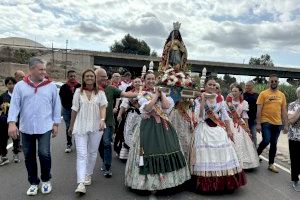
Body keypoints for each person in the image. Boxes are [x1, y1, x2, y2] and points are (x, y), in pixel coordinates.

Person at [125, 71, 190, 194]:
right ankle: (146, 183)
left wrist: (161, 94)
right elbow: (148, 108)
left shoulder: (163, 93)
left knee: (167, 148)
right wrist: (156, 95)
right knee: (149, 151)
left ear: (155, 80)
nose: (150, 81)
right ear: (144, 81)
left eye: (152, 79)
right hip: (148, 126)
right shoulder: (142, 94)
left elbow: (166, 106)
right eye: (148, 79)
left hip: (164, 126)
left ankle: (167, 182)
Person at [7, 57, 61, 196]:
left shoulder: (50, 86)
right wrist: (12, 123)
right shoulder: (20, 86)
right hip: (26, 128)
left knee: (44, 153)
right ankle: (33, 182)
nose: (44, 72)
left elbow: (56, 105)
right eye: (41, 69)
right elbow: (14, 106)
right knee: (29, 156)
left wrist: (56, 123)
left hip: (45, 127)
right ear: (31, 70)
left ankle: (45, 180)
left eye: (44, 69)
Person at [190, 78, 246, 192]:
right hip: (204, 128)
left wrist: (229, 130)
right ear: (205, 86)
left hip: (217, 129)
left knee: (224, 152)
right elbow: (199, 116)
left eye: (214, 85)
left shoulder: (220, 99)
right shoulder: (199, 98)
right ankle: (205, 182)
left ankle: (224, 181)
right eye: (209, 84)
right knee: (205, 154)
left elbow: (224, 116)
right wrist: (203, 100)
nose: (212, 86)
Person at [68, 69, 107, 194]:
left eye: (92, 76)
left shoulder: (100, 92)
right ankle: (80, 183)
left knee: (92, 152)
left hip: (96, 126)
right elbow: (74, 109)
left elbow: (103, 106)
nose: (89, 78)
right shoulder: (78, 92)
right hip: (80, 126)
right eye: (87, 76)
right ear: (83, 78)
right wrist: (71, 126)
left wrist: (102, 119)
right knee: (82, 154)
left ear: (94, 78)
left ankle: (88, 174)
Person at [95, 68, 138, 178]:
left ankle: (108, 167)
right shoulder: (91, 89)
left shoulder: (111, 89)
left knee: (106, 143)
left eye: (106, 77)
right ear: (96, 78)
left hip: (108, 122)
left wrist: (140, 93)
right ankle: (105, 161)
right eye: (102, 77)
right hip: (94, 123)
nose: (105, 79)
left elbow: (125, 94)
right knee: (99, 146)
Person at [256, 74, 288, 173]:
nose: (273, 82)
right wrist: (258, 123)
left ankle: (271, 164)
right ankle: (255, 156)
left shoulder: (281, 95)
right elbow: (259, 109)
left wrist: (286, 125)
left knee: (274, 143)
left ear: (278, 82)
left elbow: (283, 111)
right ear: (268, 82)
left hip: (278, 123)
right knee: (266, 140)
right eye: (272, 81)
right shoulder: (263, 94)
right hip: (266, 122)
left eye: (275, 81)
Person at [226, 84, 259, 169]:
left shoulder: (244, 103)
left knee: (242, 140)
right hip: (230, 123)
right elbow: (225, 115)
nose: (234, 93)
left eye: (236, 91)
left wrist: (247, 129)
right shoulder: (228, 102)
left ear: (240, 92)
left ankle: (243, 162)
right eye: (232, 91)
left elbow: (245, 116)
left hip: (240, 123)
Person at [116, 78, 142, 159]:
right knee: (128, 133)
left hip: (142, 116)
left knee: (139, 134)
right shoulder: (130, 93)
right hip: (132, 115)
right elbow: (124, 105)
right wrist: (119, 114)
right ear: (133, 84)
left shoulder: (145, 93)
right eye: (136, 82)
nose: (137, 83)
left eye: (139, 81)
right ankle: (127, 154)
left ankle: (138, 154)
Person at [59, 70, 81, 153]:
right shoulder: (64, 87)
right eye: (71, 76)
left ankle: (78, 143)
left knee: (77, 127)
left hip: (77, 110)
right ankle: (69, 144)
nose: (73, 78)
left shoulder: (79, 86)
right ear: (68, 77)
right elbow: (61, 98)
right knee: (69, 127)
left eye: (74, 76)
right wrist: (65, 107)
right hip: (67, 110)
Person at [0, 77, 19, 165]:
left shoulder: (19, 95)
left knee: (16, 138)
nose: (11, 86)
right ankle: (4, 156)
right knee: (3, 139)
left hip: (16, 121)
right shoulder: (3, 96)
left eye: (13, 83)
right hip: (4, 121)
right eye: (9, 84)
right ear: (6, 85)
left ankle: (16, 153)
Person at [287, 87, 300, 192]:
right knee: (295, 159)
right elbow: (291, 121)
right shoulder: (292, 105)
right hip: (295, 136)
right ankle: (295, 180)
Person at [244, 81, 259, 147]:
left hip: (253, 120)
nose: (247, 87)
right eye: (246, 85)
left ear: (252, 86)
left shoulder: (257, 95)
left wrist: (258, 119)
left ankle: (255, 152)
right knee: (244, 136)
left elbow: (259, 107)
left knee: (254, 136)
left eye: (249, 85)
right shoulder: (242, 95)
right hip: (244, 120)